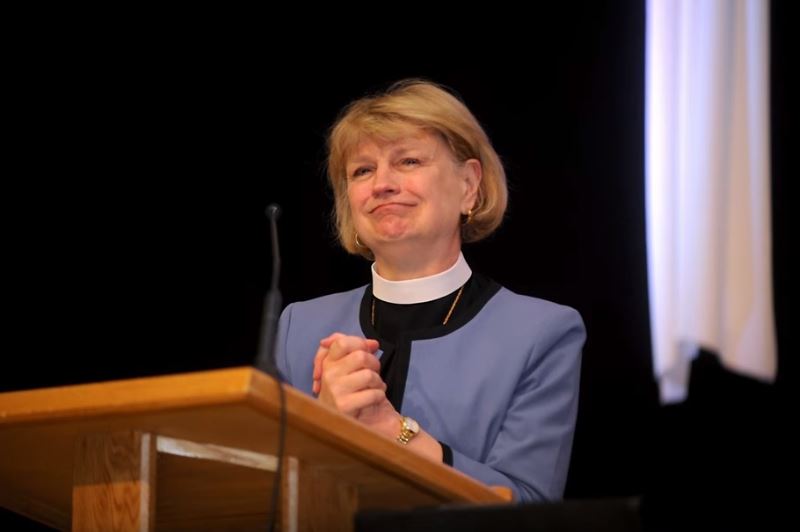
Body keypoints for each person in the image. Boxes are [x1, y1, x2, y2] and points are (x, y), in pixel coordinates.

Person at [275, 79, 585, 502]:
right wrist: (323, 427)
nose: (382, 184)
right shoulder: (299, 327)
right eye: (363, 170)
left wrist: (394, 431)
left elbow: (531, 507)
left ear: (468, 186)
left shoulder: (539, 332)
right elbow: (268, 492)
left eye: (408, 161)